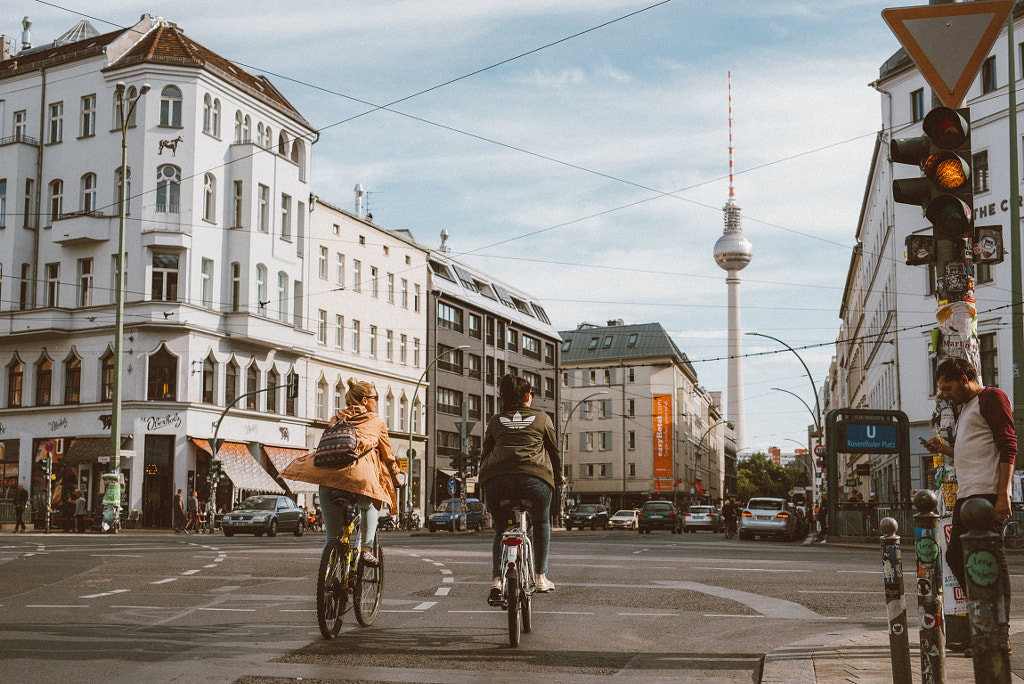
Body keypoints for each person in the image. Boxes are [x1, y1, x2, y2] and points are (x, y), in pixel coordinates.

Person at [925, 357, 1016, 655]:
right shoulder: (965, 409)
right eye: (942, 389)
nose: (945, 393)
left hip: (988, 496)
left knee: (991, 565)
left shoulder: (992, 398)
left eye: (948, 387)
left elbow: (1008, 445)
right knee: (956, 558)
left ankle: (997, 636)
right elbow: (973, 450)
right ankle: (983, 629)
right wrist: (943, 449)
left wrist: (1003, 494)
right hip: (969, 496)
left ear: (965, 378)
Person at [479, 374, 563, 603]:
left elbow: (485, 453)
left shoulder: (495, 421)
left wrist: (483, 479)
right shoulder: (543, 418)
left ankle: (497, 580)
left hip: (498, 483)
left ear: (502, 399)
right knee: (542, 521)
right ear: (528, 397)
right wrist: (559, 477)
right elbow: (554, 453)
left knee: (501, 530)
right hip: (534, 481)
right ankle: (540, 576)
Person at [318, 378, 401, 566]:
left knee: (332, 537)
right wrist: (396, 476)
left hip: (327, 480)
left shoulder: (336, 418)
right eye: (375, 398)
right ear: (365, 400)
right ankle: (366, 549)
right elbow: (387, 455)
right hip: (359, 479)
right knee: (370, 505)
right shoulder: (377, 421)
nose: (377, 402)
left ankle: (328, 579)